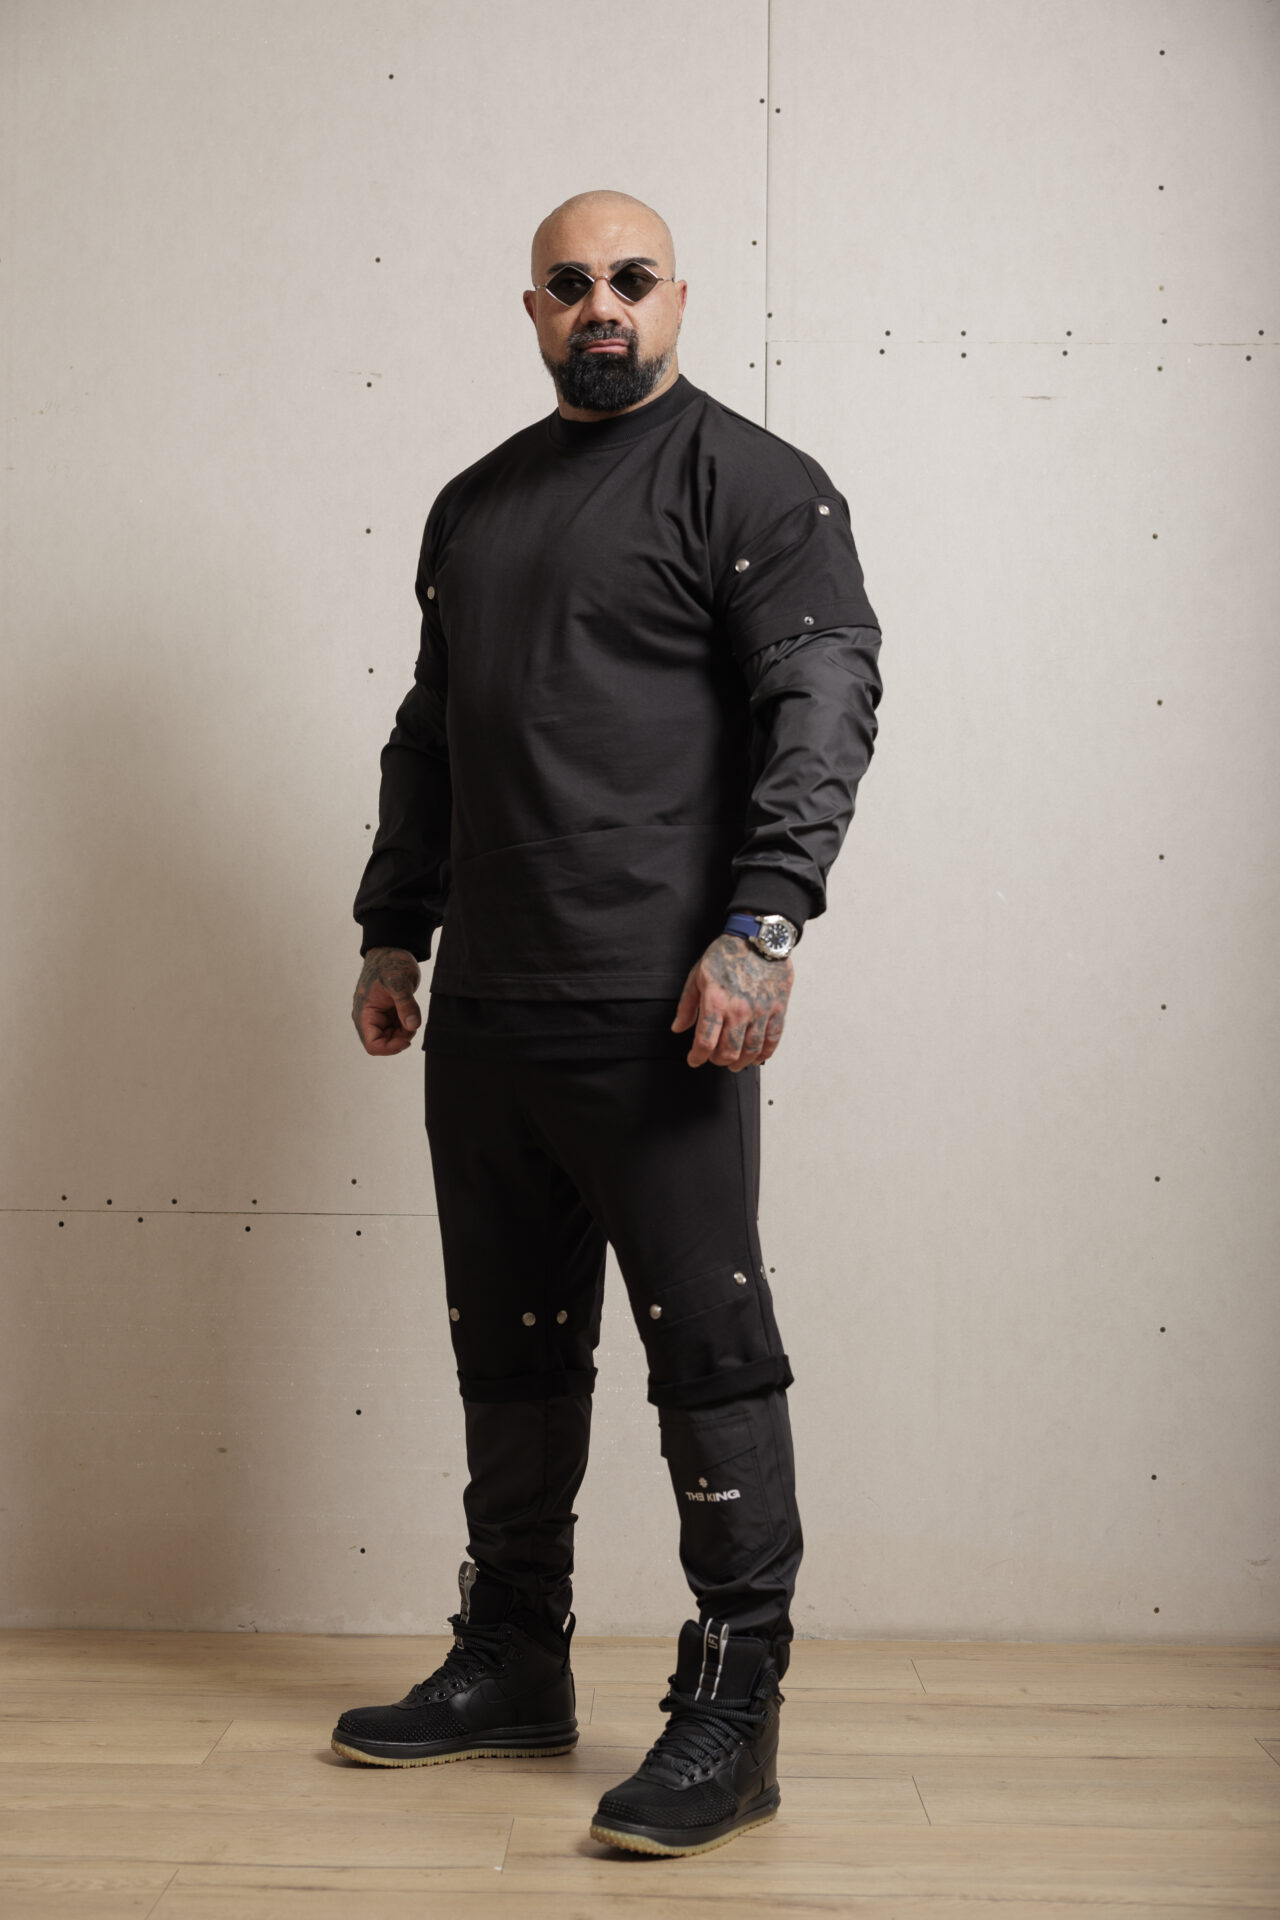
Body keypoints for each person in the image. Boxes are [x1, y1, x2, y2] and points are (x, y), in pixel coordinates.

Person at [332, 188, 883, 1859]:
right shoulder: (475, 504)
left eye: (631, 280)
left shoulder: (753, 484)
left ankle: (735, 1712)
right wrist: (394, 926)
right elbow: (432, 728)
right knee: (508, 1345)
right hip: (490, 1011)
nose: (603, 307)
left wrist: (764, 924)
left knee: (710, 1352)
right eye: (570, 285)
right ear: (533, 310)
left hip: (668, 1014)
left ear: (679, 297)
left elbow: (825, 696)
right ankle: (514, 1657)